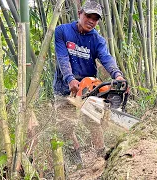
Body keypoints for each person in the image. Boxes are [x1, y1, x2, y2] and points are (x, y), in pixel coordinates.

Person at [53, 0, 124, 166]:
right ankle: (75, 159)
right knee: (66, 125)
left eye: (95, 18)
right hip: (65, 86)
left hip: (88, 88)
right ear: (80, 13)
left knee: (93, 120)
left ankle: (101, 155)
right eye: (88, 16)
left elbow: (106, 58)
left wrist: (117, 75)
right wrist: (70, 79)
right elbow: (62, 57)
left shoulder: (97, 40)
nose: (91, 20)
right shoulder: (62, 31)